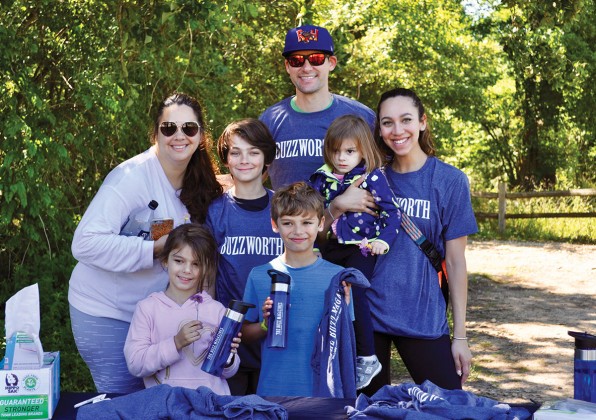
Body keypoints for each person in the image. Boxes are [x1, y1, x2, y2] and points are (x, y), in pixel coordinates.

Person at [68, 92, 223, 393]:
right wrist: (156, 248)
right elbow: (85, 243)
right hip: (108, 312)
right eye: (169, 128)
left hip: (159, 316)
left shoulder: (200, 182)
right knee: (125, 403)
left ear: (201, 135)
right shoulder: (131, 178)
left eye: (189, 128)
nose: (179, 136)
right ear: (155, 134)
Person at [361, 88, 478, 395]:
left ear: (423, 122)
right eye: (387, 122)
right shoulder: (369, 179)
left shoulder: (450, 181)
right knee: (367, 413)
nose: (397, 131)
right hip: (368, 315)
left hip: (422, 316)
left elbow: (455, 262)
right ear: (380, 129)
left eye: (406, 120)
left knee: (451, 409)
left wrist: (461, 337)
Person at [308, 114, 404, 389]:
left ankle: (367, 355)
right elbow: (312, 215)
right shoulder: (321, 177)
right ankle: (328, 350)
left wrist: (383, 241)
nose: (341, 157)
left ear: (362, 150)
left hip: (361, 248)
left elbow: (392, 213)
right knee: (326, 292)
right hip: (330, 246)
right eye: (336, 150)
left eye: (349, 151)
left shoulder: (371, 177)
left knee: (356, 287)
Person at [240, 182, 351, 397]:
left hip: (324, 394)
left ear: (320, 223)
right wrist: (265, 324)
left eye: (306, 222)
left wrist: (343, 313)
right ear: (275, 224)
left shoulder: (337, 277)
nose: (298, 231)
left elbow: (346, 339)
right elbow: (244, 333)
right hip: (273, 391)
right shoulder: (260, 274)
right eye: (288, 223)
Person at [205, 118, 283, 395]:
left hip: (278, 338)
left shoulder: (284, 208)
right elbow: (208, 276)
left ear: (266, 158)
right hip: (230, 339)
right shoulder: (216, 212)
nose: (244, 160)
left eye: (253, 152)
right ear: (226, 159)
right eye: (235, 152)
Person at [123, 224, 240, 393]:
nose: (187, 270)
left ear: (206, 268)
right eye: (179, 261)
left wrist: (228, 356)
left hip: (210, 406)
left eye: (196, 264)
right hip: (164, 406)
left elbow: (228, 371)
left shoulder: (217, 311)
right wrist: (176, 343)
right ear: (165, 261)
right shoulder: (147, 308)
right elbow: (136, 364)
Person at [259, 24, 376, 191]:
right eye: (297, 60)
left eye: (316, 59)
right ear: (287, 66)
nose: (306, 68)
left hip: (349, 217)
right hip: (285, 217)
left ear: (331, 63)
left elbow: (392, 172)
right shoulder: (270, 120)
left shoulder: (362, 117)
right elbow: (251, 178)